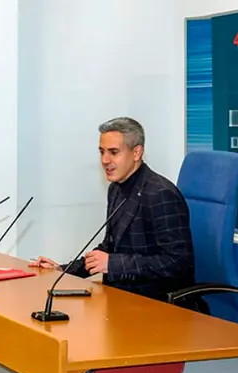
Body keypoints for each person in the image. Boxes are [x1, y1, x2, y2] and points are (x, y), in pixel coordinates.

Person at [29, 117, 196, 304]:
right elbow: (109, 248)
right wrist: (63, 270)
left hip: (157, 303)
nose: (105, 160)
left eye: (113, 152)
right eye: (102, 152)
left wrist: (113, 264)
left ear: (136, 152)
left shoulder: (160, 194)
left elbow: (178, 263)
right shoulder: (116, 188)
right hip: (121, 297)